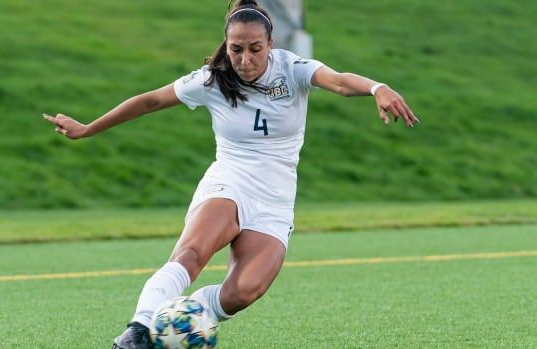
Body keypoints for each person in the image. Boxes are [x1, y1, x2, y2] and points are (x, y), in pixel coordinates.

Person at [43, 1, 418, 348]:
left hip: (275, 199)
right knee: (191, 252)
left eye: (255, 48)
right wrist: (88, 128)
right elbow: (152, 100)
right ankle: (138, 331)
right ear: (226, 44)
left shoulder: (292, 69)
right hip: (230, 181)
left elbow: (337, 81)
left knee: (244, 292)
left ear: (270, 43)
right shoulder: (212, 80)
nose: (245, 58)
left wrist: (376, 87)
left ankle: (180, 317)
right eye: (236, 48)